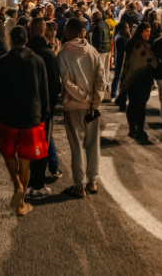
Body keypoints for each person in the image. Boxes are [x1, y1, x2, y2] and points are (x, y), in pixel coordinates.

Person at [0, 26, 49, 216]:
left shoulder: (2, 62)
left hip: (7, 116)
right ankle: (21, 202)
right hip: (31, 116)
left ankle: (17, 185)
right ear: (27, 40)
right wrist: (44, 113)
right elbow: (44, 90)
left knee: (8, 153)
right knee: (25, 160)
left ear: (11, 40)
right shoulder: (37, 61)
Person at [57, 18, 106, 198]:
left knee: (76, 146)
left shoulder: (63, 54)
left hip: (73, 105)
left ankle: (79, 185)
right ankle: (93, 181)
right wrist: (94, 101)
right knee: (93, 144)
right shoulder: (93, 51)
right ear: (82, 32)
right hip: (92, 107)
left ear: (68, 32)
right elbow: (102, 79)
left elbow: (66, 82)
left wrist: (82, 97)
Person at [27, 18, 62, 197]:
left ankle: (26, 183)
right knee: (42, 143)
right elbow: (55, 84)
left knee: (25, 144)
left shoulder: (23, 52)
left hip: (25, 106)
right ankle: (38, 184)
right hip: (44, 107)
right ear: (43, 30)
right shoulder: (48, 54)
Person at [117, 22, 158, 139]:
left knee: (134, 104)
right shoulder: (139, 45)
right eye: (146, 32)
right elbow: (153, 62)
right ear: (141, 32)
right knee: (139, 105)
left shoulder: (132, 43)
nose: (148, 34)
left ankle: (134, 128)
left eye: (149, 32)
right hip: (140, 80)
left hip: (134, 79)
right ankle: (138, 129)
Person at [90, 10, 113, 89]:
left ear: (96, 16)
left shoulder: (97, 26)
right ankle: (107, 85)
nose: (91, 18)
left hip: (100, 50)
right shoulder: (105, 23)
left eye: (93, 16)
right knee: (106, 69)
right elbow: (110, 36)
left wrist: (95, 51)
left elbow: (96, 39)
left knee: (100, 69)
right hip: (107, 49)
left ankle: (101, 86)